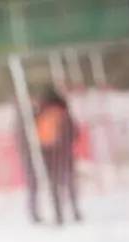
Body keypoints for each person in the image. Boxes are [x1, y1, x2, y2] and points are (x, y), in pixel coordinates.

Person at [35, 86, 81, 225]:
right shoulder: (63, 112)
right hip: (65, 152)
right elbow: (75, 132)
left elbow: (38, 136)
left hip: (48, 153)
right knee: (69, 181)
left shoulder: (41, 113)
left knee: (54, 184)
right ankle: (75, 210)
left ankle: (58, 214)